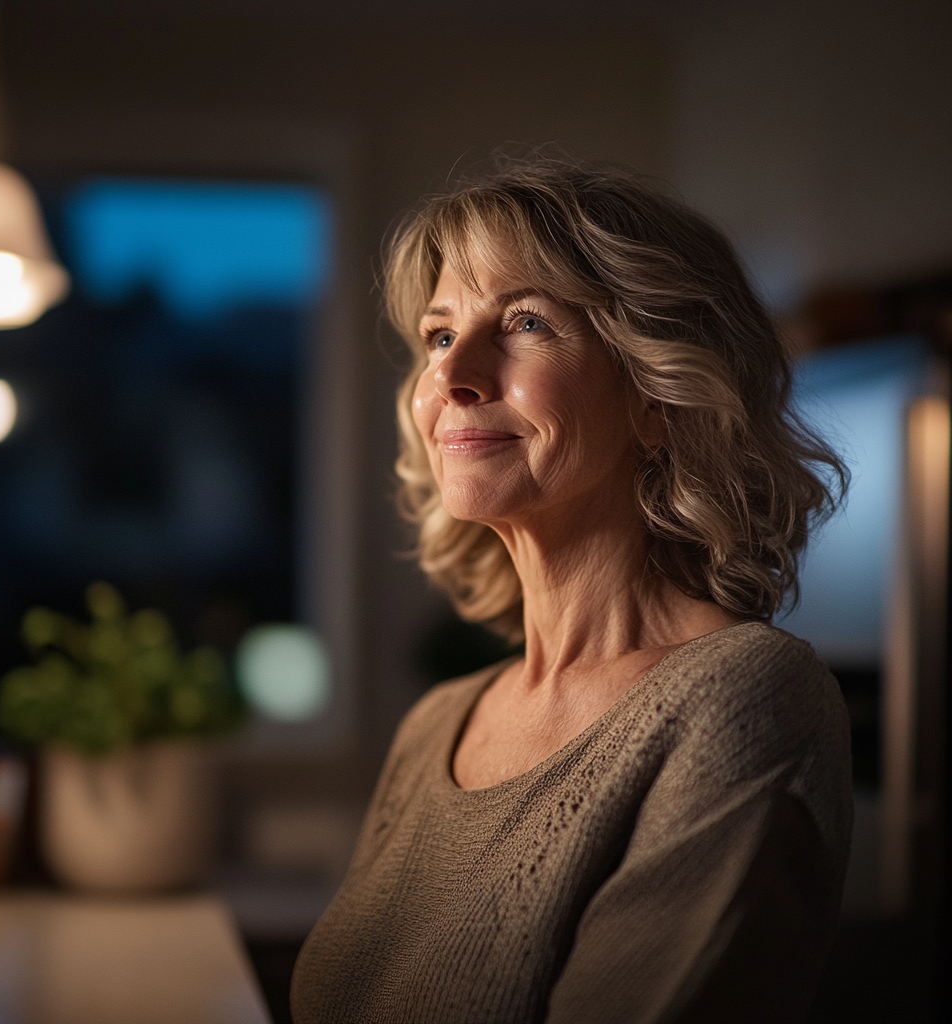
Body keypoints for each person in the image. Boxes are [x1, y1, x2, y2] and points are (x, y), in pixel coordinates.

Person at [291, 157, 853, 1024]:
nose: (453, 376)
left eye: (525, 323)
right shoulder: (435, 724)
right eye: (440, 335)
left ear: (659, 395)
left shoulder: (745, 697)